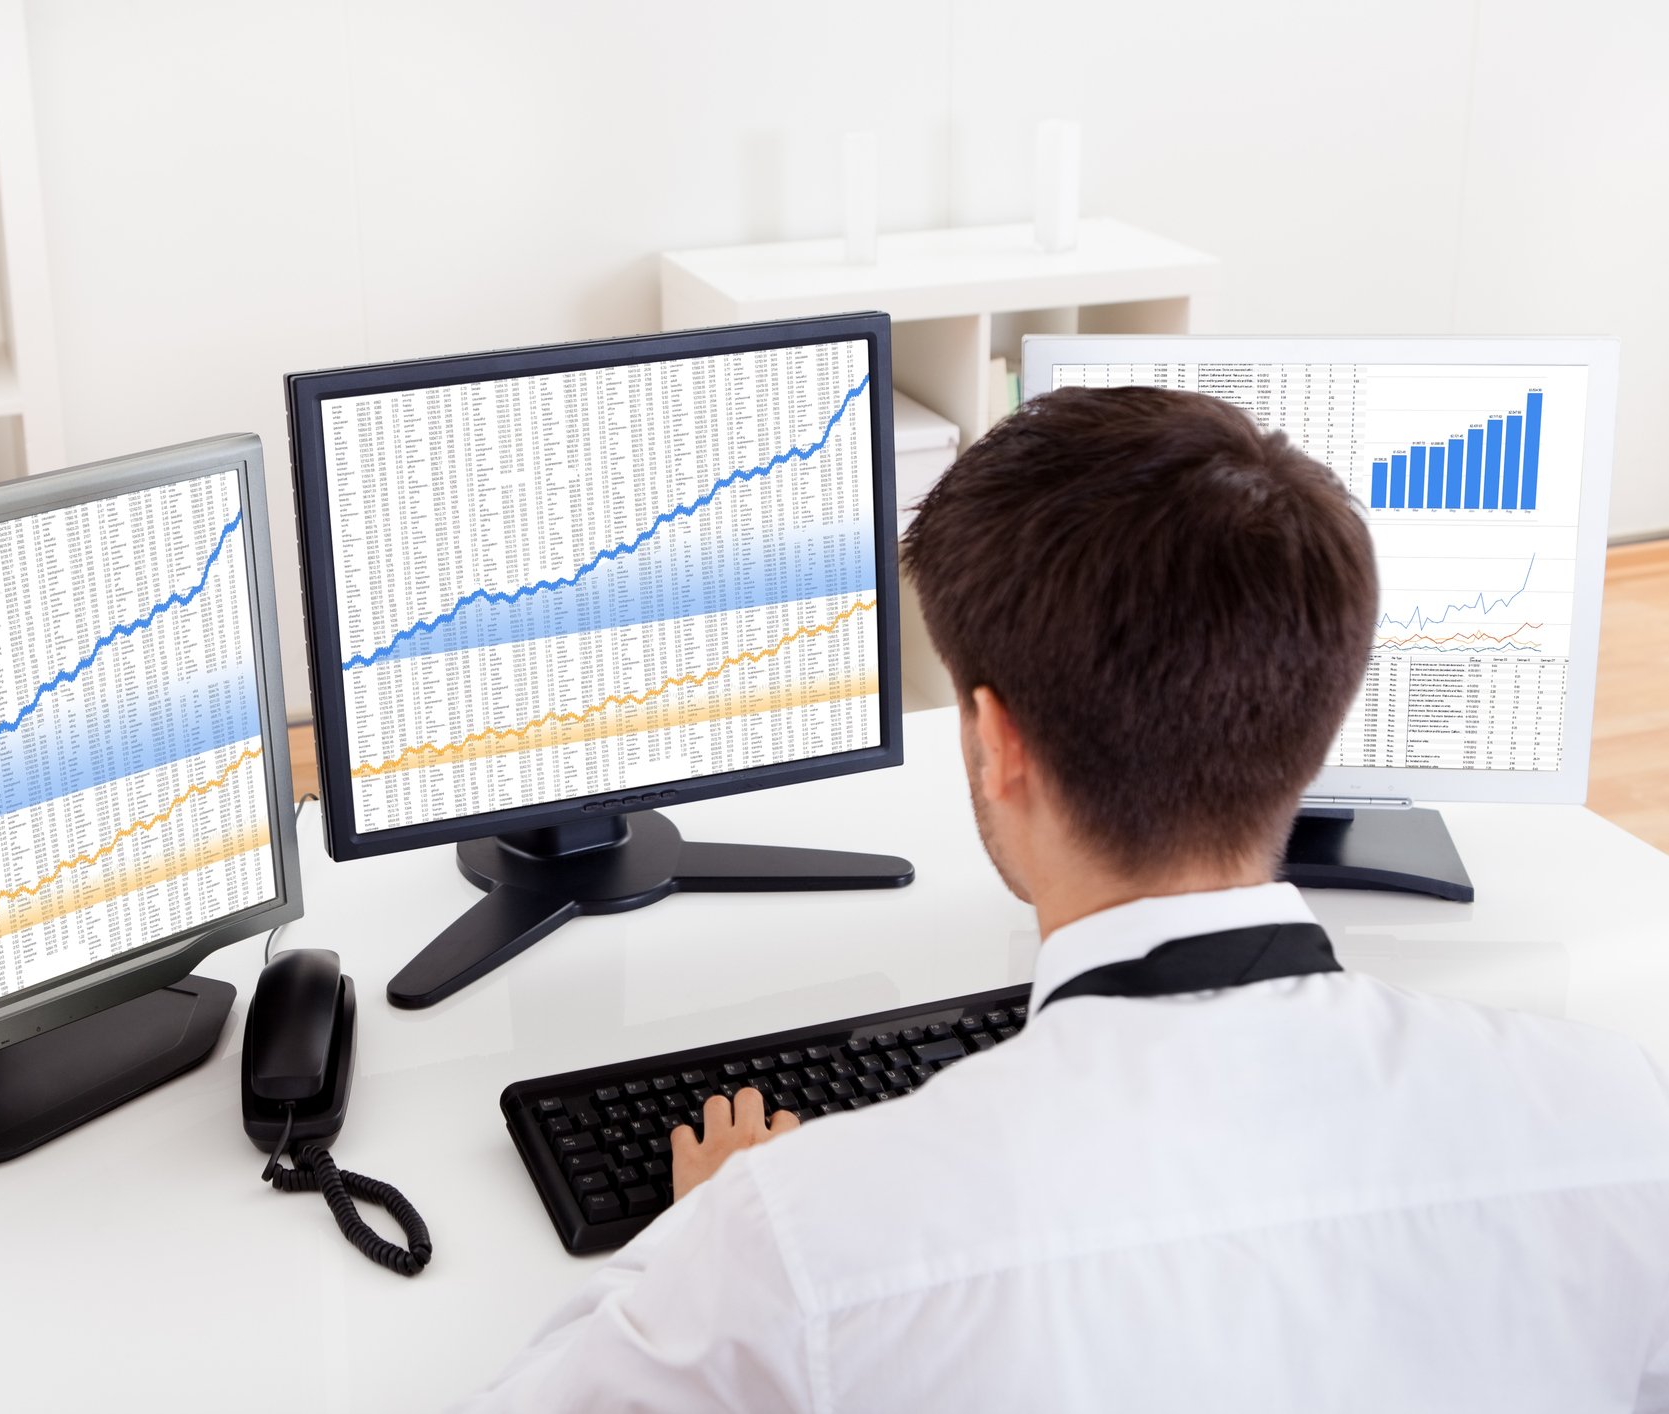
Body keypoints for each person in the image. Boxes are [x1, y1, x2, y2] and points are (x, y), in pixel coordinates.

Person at [453, 387, 1669, 1412]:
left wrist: (706, 1232)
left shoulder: (809, 1244)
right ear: (1318, 708)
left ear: (998, 744)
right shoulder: (1626, 1122)